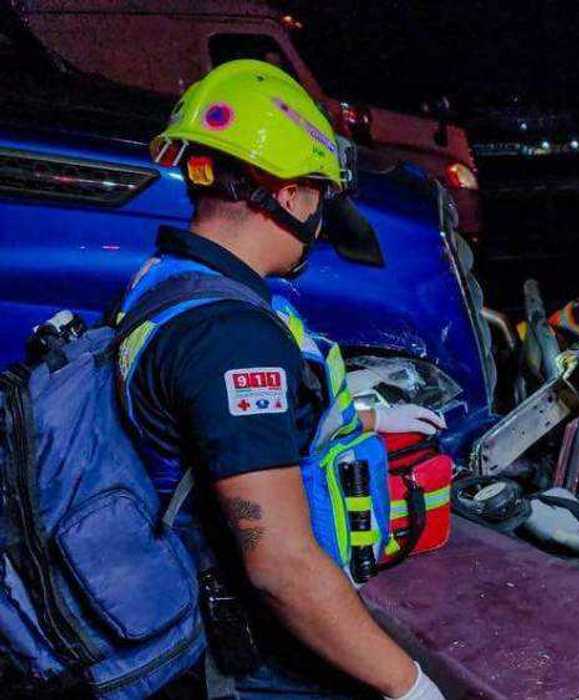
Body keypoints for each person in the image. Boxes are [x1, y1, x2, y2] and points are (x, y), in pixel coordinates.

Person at [122, 60, 446, 699]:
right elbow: (281, 566)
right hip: (249, 656)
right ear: (292, 195)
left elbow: (218, 427)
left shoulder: (167, 282)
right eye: (320, 194)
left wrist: (371, 418)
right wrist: (411, 687)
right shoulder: (230, 337)